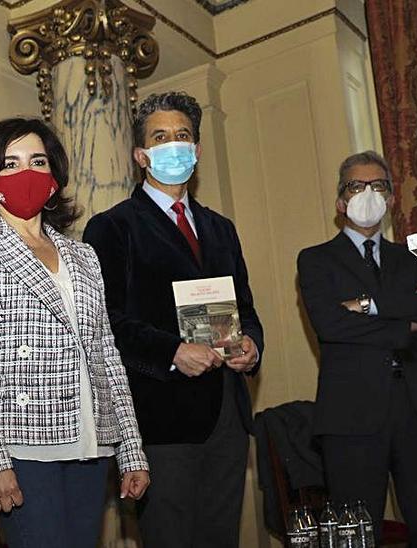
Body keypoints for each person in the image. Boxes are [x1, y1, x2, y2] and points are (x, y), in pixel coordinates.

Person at [0, 118, 151, 548]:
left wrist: (132, 450)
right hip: (22, 446)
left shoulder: (83, 255)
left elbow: (107, 355)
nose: (26, 172)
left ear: (53, 177)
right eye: (9, 163)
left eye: (37, 161)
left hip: (92, 443)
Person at [82, 91, 264, 547]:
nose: (174, 145)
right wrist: (172, 351)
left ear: (197, 150)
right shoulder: (113, 226)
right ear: (141, 155)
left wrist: (252, 346)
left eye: (183, 135)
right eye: (160, 137)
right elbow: (106, 322)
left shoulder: (222, 228)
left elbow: (245, 307)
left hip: (226, 413)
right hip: (159, 417)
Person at [297, 151, 417, 547]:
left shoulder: (414, 256)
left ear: (389, 199)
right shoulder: (315, 260)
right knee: (358, 537)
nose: (368, 193)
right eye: (356, 186)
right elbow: (330, 324)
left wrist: (367, 306)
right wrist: (407, 316)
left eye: (378, 186)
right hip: (351, 417)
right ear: (340, 202)